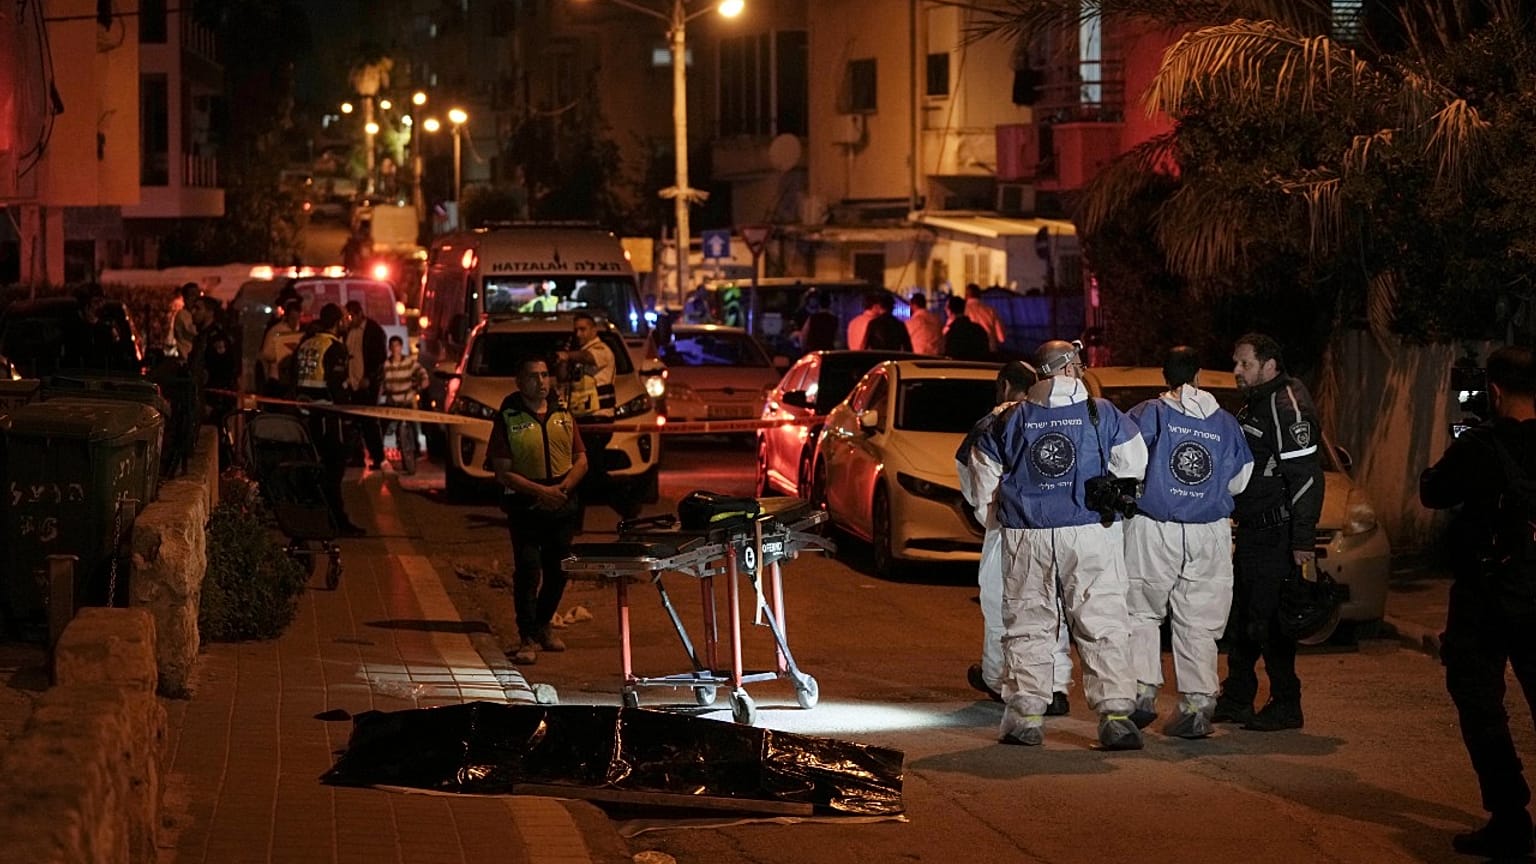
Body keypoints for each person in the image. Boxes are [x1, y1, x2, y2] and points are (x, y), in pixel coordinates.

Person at [978, 339, 1148, 749]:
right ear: (1071, 368)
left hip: (1027, 535)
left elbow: (982, 482)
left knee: (1029, 624)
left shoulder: (1008, 418)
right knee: (1102, 620)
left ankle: (1026, 719)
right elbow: (1133, 464)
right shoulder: (1101, 413)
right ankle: (1117, 717)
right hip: (1090, 532)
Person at [1421, 346, 1536, 859]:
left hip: (1485, 600)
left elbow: (1433, 492)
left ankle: (1510, 816)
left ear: (1493, 392)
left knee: (1481, 704)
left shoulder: (1481, 446)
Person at [1123, 347, 1254, 739]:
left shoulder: (1148, 414)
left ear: (1164, 376)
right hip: (1209, 532)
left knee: (1141, 613)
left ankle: (1141, 693)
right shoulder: (1226, 423)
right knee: (1199, 620)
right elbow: (1240, 480)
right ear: (1198, 374)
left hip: (1153, 528)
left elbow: (1124, 461)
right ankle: (1197, 705)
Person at [1215, 333, 1323, 731]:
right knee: (1243, 615)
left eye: (1245, 364)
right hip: (1252, 531)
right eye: (1236, 363)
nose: (1236, 371)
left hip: (1276, 533)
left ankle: (1286, 702)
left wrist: (1302, 542)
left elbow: (1307, 477)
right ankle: (1238, 696)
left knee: (1270, 620)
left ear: (1270, 364)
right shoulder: (1257, 401)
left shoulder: (1286, 405)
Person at [957, 360, 1074, 717]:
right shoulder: (1054, 419)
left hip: (1007, 530)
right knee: (1050, 608)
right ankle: (1055, 686)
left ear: (1005, 385)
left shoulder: (992, 424)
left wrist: (989, 519)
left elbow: (976, 486)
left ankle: (1000, 679)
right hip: (1054, 529)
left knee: (1002, 607)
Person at [484, 355, 589, 666]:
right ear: (519, 382)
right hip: (526, 505)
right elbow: (503, 471)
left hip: (562, 502)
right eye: (533, 376)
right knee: (529, 570)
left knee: (559, 570)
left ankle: (543, 626)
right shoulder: (509, 417)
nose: (541, 382)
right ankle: (526, 636)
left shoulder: (563, 413)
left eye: (545, 375)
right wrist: (541, 492)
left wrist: (563, 489)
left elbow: (581, 459)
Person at [293, 303, 364, 537]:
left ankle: (313, 518)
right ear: (336, 322)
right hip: (327, 420)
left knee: (313, 470)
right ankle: (336, 521)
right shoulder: (334, 347)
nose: (346, 322)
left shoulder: (306, 344)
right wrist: (349, 418)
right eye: (343, 319)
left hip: (304, 419)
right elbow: (337, 387)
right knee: (333, 472)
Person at [344, 300, 388, 470]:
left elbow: (379, 358)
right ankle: (357, 456)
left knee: (369, 421)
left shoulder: (373, 331)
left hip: (367, 384)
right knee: (353, 422)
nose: (349, 320)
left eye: (351, 316)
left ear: (359, 314)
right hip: (352, 383)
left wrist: (369, 377)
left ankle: (378, 456)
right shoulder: (349, 331)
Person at [381, 335, 430, 474]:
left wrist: (424, 381)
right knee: (385, 425)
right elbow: (381, 380)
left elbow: (422, 372)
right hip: (393, 403)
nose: (395, 349)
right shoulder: (386, 365)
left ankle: (417, 450)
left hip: (407, 400)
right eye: (392, 346)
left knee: (413, 425)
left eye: (397, 345)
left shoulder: (409, 362)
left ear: (401, 347)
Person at [260, 297, 305, 398]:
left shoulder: (300, 331)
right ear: (287, 316)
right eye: (293, 318)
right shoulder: (276, 331)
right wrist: (281, 353)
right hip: (277, 379)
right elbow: (266, 353)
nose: (295, 322)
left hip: (292, 379)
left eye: (297, 318)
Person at [942, 296, 990, 361]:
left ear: (950, 311)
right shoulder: (978, 329)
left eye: (946, 308)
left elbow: (949, 354)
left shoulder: (951, 332)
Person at [965, 283, 1006, 353]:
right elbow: (1001, 338)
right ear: (980, 295)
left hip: (969, 351)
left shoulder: (963, 311)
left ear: (966, 295)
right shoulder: (991, 311)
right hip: (989, 351)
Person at [172, 283, 202, 360]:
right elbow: (195, 331)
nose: (195, 298)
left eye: (197, 294)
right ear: (185, 298)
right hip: (187, 357)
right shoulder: (183, 315)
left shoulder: (194, 314)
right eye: (192, 295)